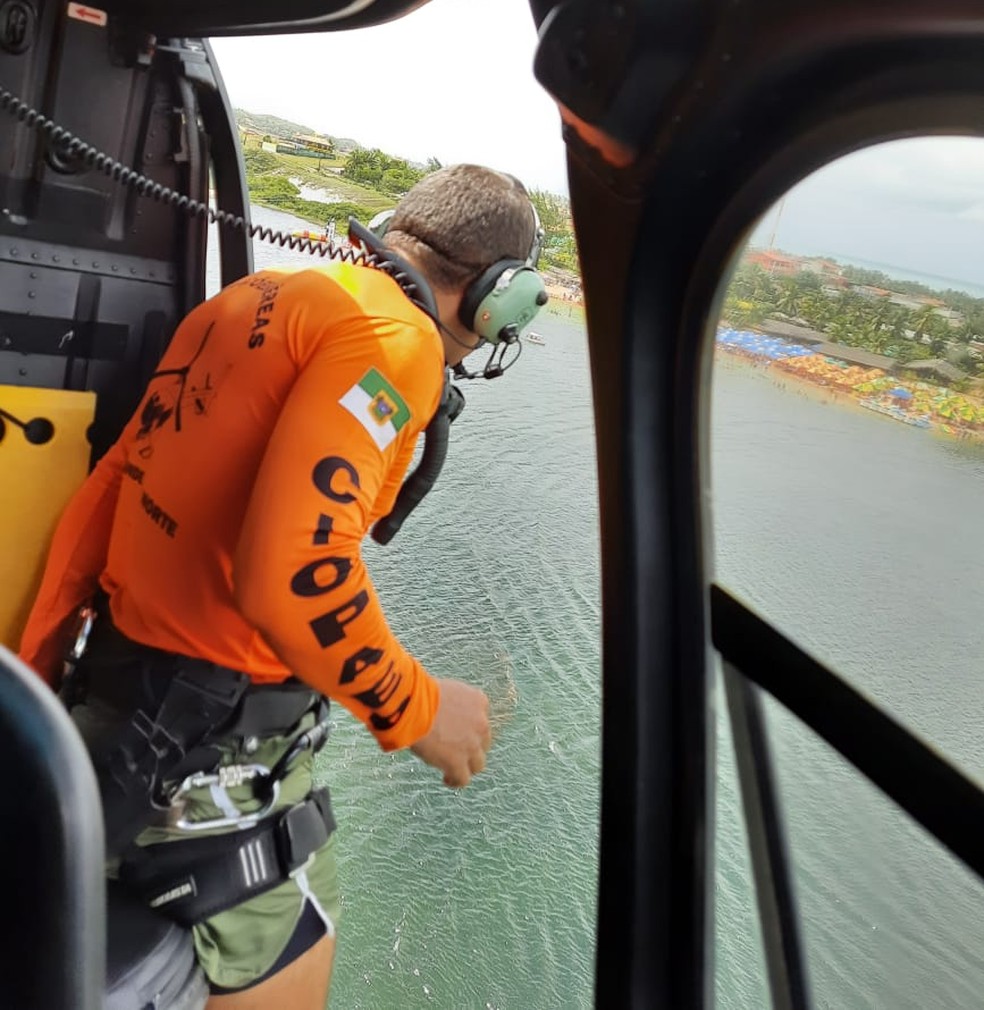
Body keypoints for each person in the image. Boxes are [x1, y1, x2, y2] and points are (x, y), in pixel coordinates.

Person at [17, 164, 545, 1008]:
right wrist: (419, 708)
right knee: (299, 938)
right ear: (497, 296)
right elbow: (295, 571)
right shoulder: (393, 343)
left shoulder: (252, 298)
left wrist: (38, 686)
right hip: (214, 761)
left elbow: (107, 494)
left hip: (109, 716)